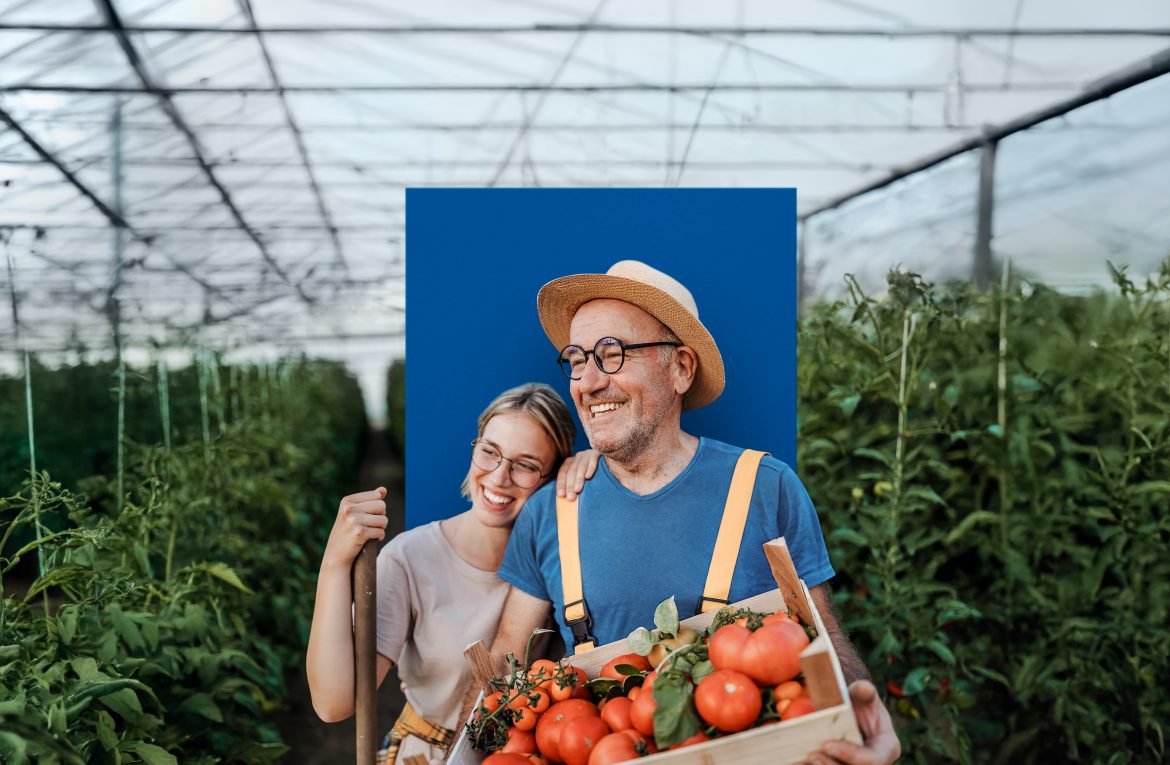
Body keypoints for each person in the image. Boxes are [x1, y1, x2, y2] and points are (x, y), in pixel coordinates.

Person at [479, 261, 901, 765]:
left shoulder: (767, 488)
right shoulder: (550, 512)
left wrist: (859, 713)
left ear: (680, 367)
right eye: (575, 359)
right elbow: (507, 660)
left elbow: (824, 634)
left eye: (611, 354)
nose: (587, 381)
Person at [306, 383, 597, 764]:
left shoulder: (566, 555)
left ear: (552, 476)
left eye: (526, 465)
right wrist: (334, 564)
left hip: (524, 754)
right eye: (489, 452)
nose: (498, 476)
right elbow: (334, 703)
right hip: (432, 755)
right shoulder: (410, 558)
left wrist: (598, 473)